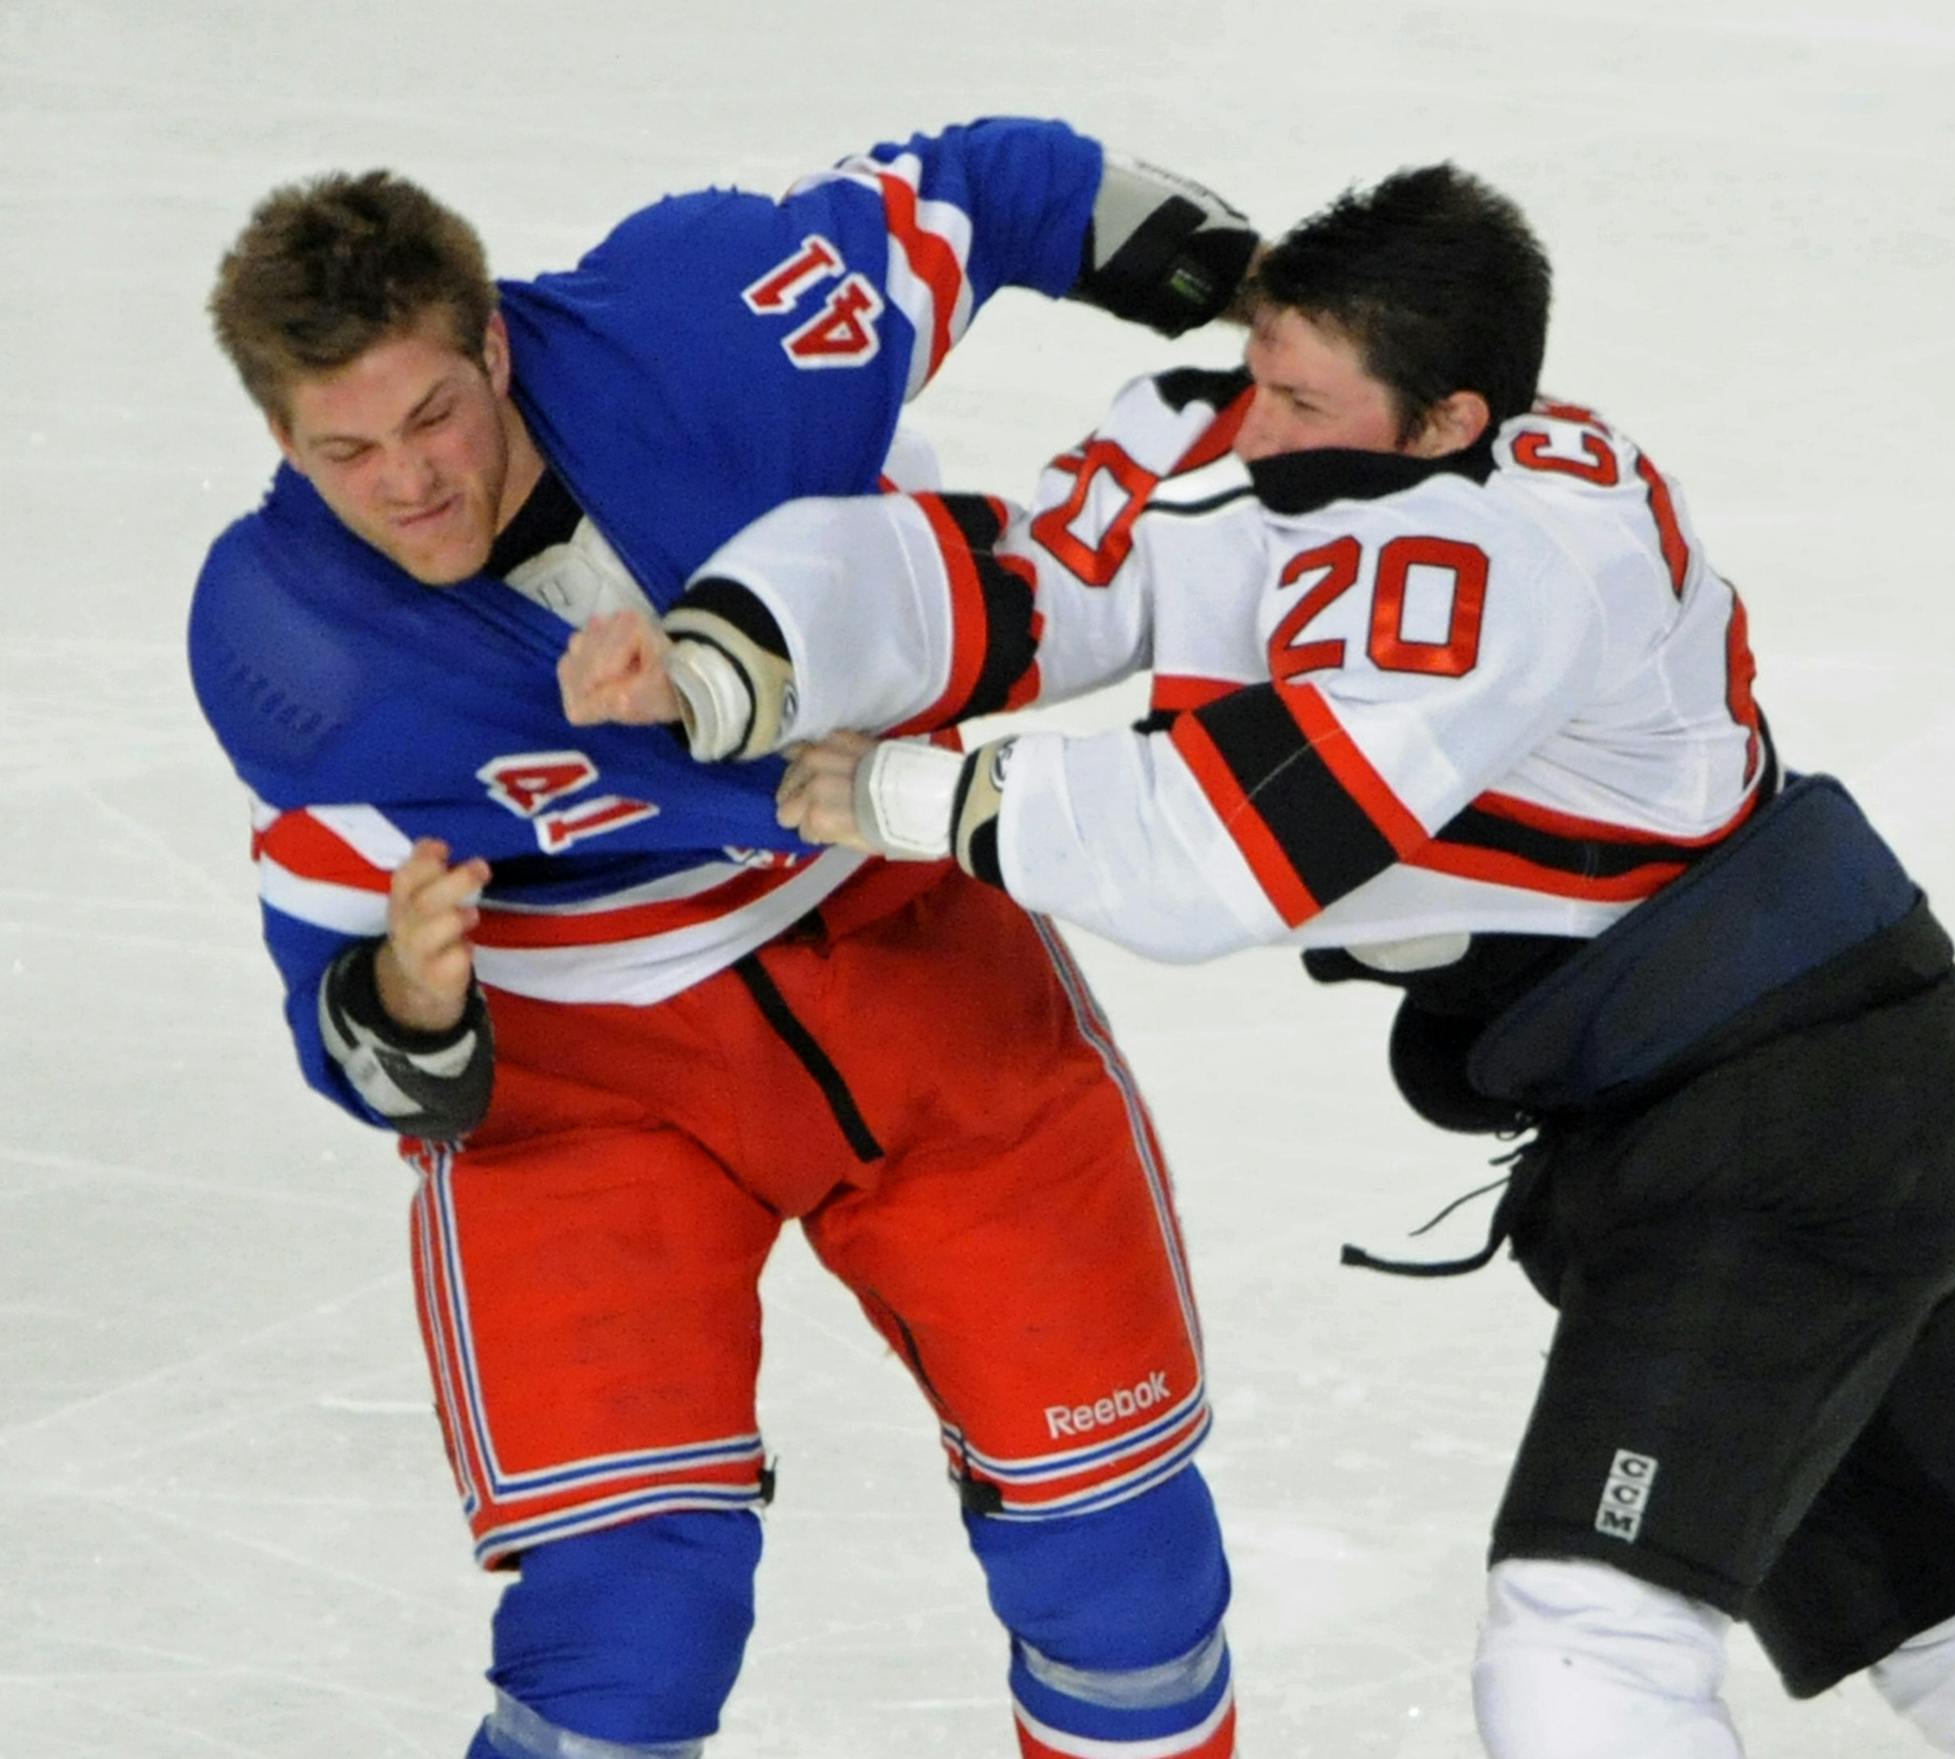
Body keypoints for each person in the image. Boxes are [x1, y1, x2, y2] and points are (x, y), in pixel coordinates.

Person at [560, 164, 1955, 1756]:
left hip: (1784, 1128)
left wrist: (928, 793)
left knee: (1582, 1658)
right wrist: (745, 649)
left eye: (1299, 397)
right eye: (1260, 371)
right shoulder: (1295, 431)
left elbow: (1246, 836)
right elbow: (1030, 570)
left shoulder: (1515, 560)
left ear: (1454, 421)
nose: (1248, 426)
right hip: (1759, 1091)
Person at [188, 122, 1263, 1759]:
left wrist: (1267, 290)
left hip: (906, 951)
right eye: (343, 452)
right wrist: (405, 994)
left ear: (495, 340)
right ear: (278, 436)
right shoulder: (289, 644)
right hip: (583, 1082)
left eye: (432, 413)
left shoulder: (715, 323)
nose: (407, 481)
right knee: (626, 1648)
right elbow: (336, 1018)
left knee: (1125, 1572)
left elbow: (994, 187)